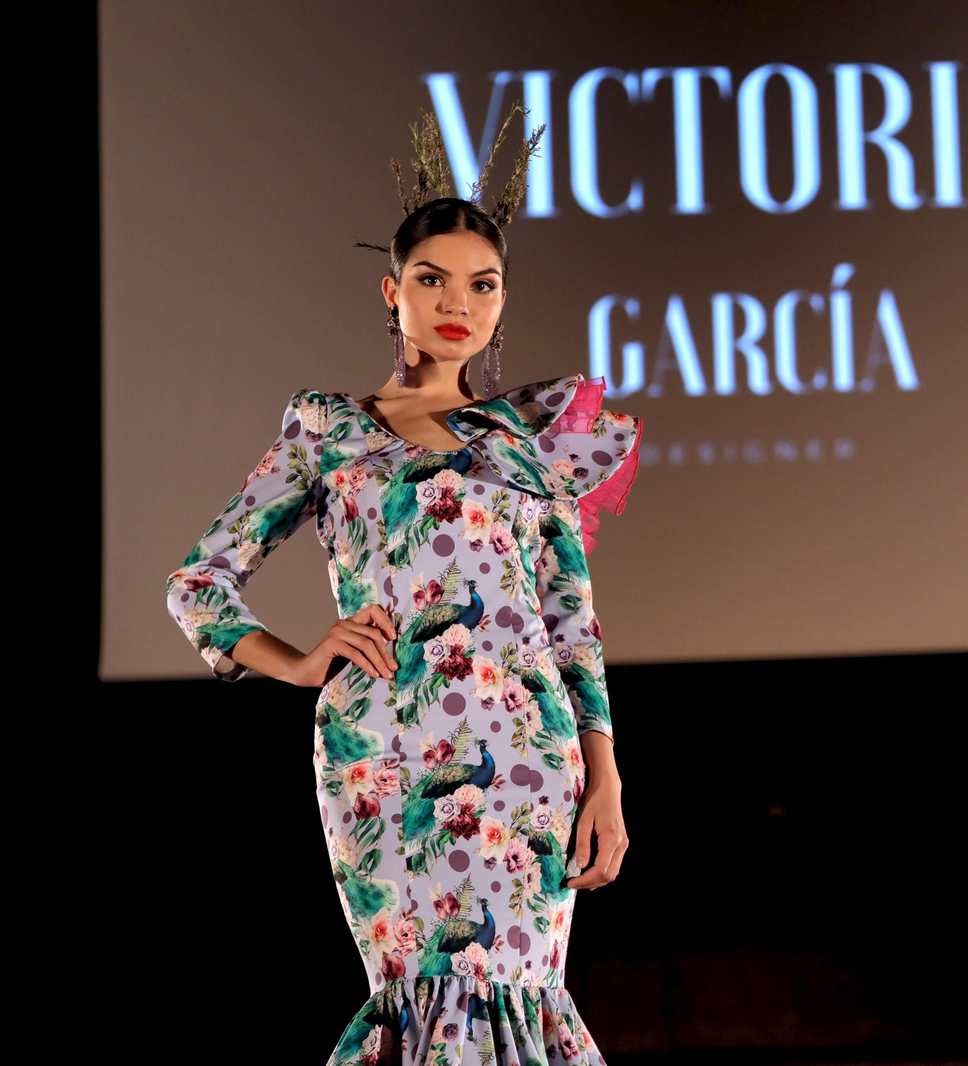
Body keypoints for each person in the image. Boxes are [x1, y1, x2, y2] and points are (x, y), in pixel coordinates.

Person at [165, 112, 640, 1066]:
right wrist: (300, 665)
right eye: (433, 279)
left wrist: (608, 779)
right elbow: (200, 583)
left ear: (503, 303)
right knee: (415, 998)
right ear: (393, 292)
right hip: (382, 751)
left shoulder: (530, 444)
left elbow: (570, 626)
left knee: (520, 995)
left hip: (527, 761)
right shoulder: (327, 428)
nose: (458, 302)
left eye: (483, 284)